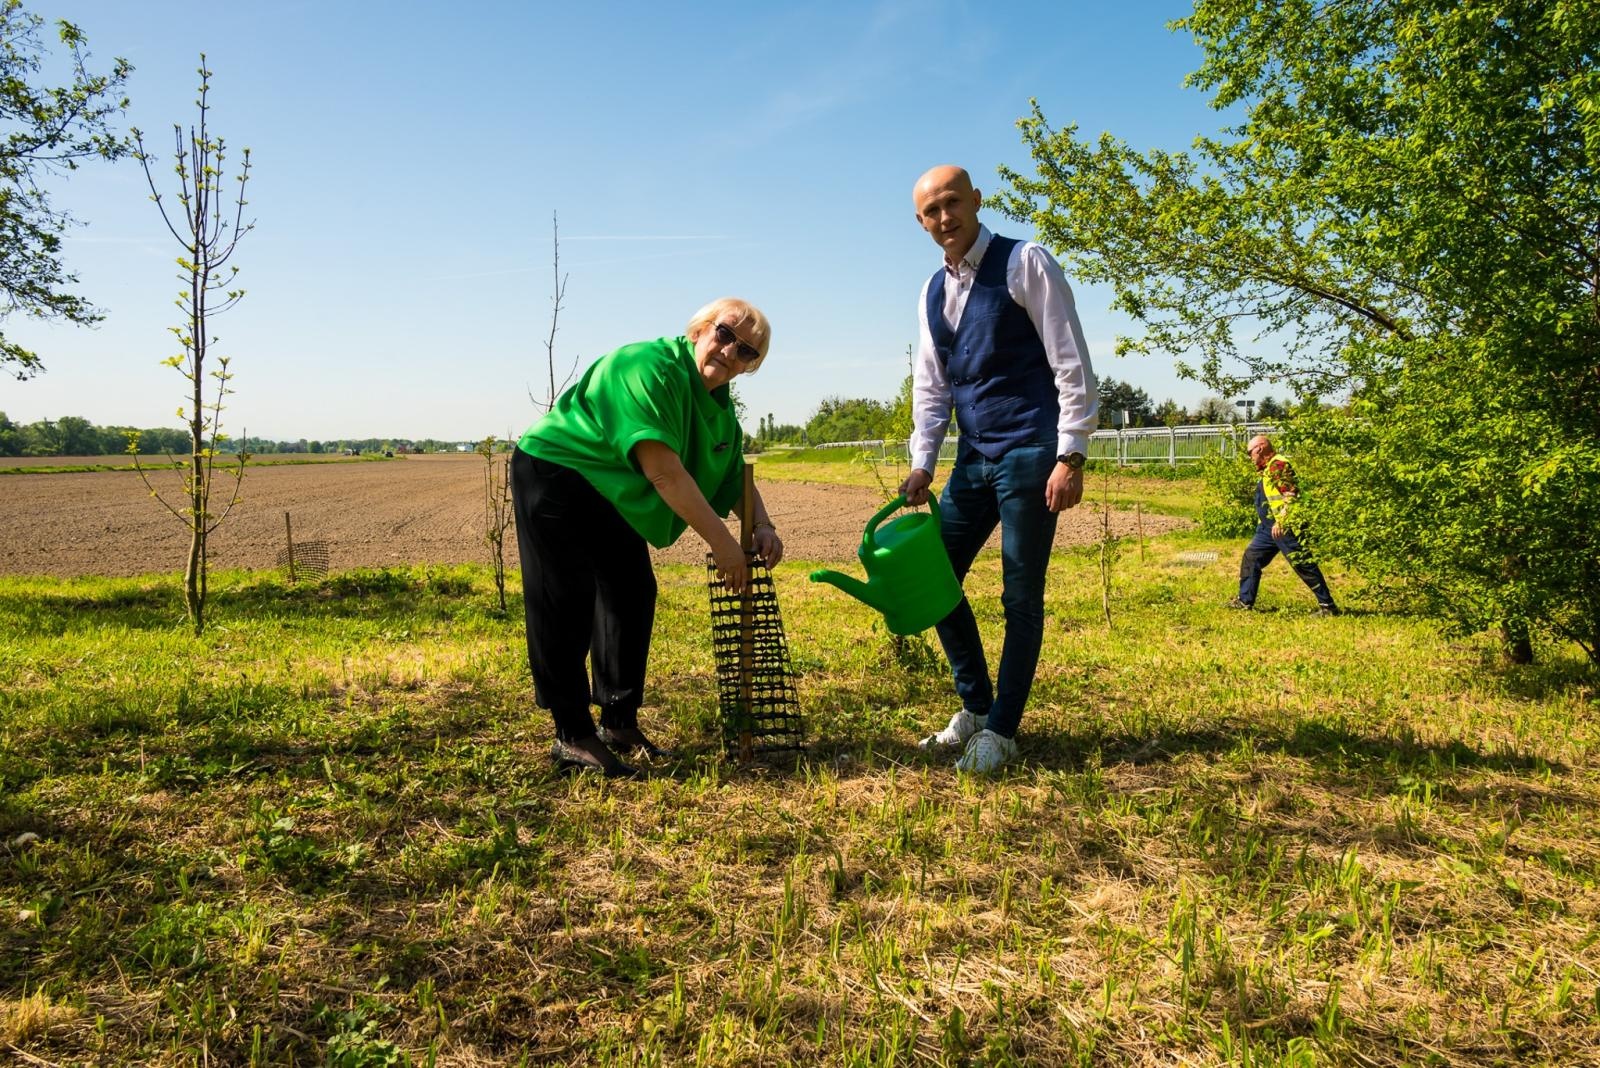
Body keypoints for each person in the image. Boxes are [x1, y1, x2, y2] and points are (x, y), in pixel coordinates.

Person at [511, 298, 784, 777]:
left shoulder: (720, 414)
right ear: (701, 328)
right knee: (566, 596)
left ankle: (619, 721)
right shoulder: (647, 367)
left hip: (613, 487)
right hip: (558, 472)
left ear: (749, 368)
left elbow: (731, 477)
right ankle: (572, 734)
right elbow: (666, 474)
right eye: (725, 334)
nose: (730, 351)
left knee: (631, 590)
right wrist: (724, 545)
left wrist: (762, 524)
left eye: (746, 352)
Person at [899, 164, 1099, 774]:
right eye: (930, 212)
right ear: (921, 221)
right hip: (973, 458)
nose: (944, 219)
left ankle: (1004, 731)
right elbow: (932, 388)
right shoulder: (932, 290)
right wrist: (922, 463)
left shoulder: (1025, 261)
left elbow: (1071, 360)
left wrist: (1071, 453)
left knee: (1020, 594)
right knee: (934, 580)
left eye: (952, 204)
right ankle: (976, 708)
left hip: (1032, 451)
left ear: (977, 201)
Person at [1228, 434, 1338, 616]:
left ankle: (1328, 606)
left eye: (1250, 453)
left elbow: (1291, 494)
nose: (1250, 458)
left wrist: (1282, 520)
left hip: (1285, 527)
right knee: (1252, 557)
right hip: (1267, 529)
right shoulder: (1266, 470)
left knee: (1302, 563)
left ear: (1260, 448)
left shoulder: (1278, 465)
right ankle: (1244, 600)